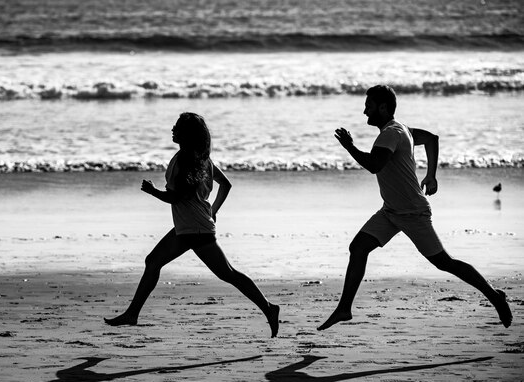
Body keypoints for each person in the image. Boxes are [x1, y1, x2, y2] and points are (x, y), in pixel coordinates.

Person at [318, 85, 512, 331]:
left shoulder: (390, 133)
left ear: (383, 107)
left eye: (369, 105)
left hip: (412, 213)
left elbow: (374, 165)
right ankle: (344, 309)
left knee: (445, 263)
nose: (364, 111)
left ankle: (495, 296)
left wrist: (350, 147)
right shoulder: (403, 130)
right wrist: (431, 176)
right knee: (358, 248)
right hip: (391, 211)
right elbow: (432, 139)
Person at [105, 112, 280, 337]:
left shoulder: (187, 161)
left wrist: (153, 192)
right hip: (192, 226)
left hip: (194, 229)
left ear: (186, 134)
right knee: (161, 263)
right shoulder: (200, 159)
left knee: (226, 273)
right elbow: (225, 185)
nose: (173, 129)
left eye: (177, 126)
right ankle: (132, 313)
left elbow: (176, 197)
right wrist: (213, 211)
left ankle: (268, 308)